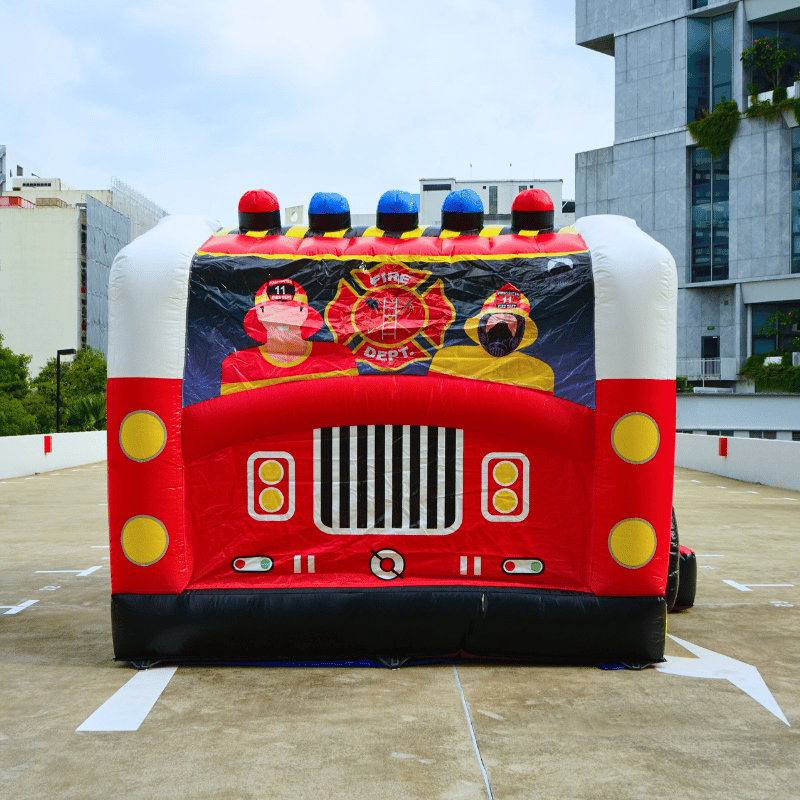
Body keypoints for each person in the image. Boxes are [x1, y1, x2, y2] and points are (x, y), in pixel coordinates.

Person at [220, 278, 357, 394]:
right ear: (260, 314)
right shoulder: (237, 365)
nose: (282, 317)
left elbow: (352, 403)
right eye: (274, 310)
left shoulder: (337, 356)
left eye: (291, 309)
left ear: (304, 312)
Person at [428, 283, 554, 392]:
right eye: (495, 320)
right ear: (481, 327)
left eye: (510, 322)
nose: (501, 328)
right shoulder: (449, 359)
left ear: (521, 331)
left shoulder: (539, 372)